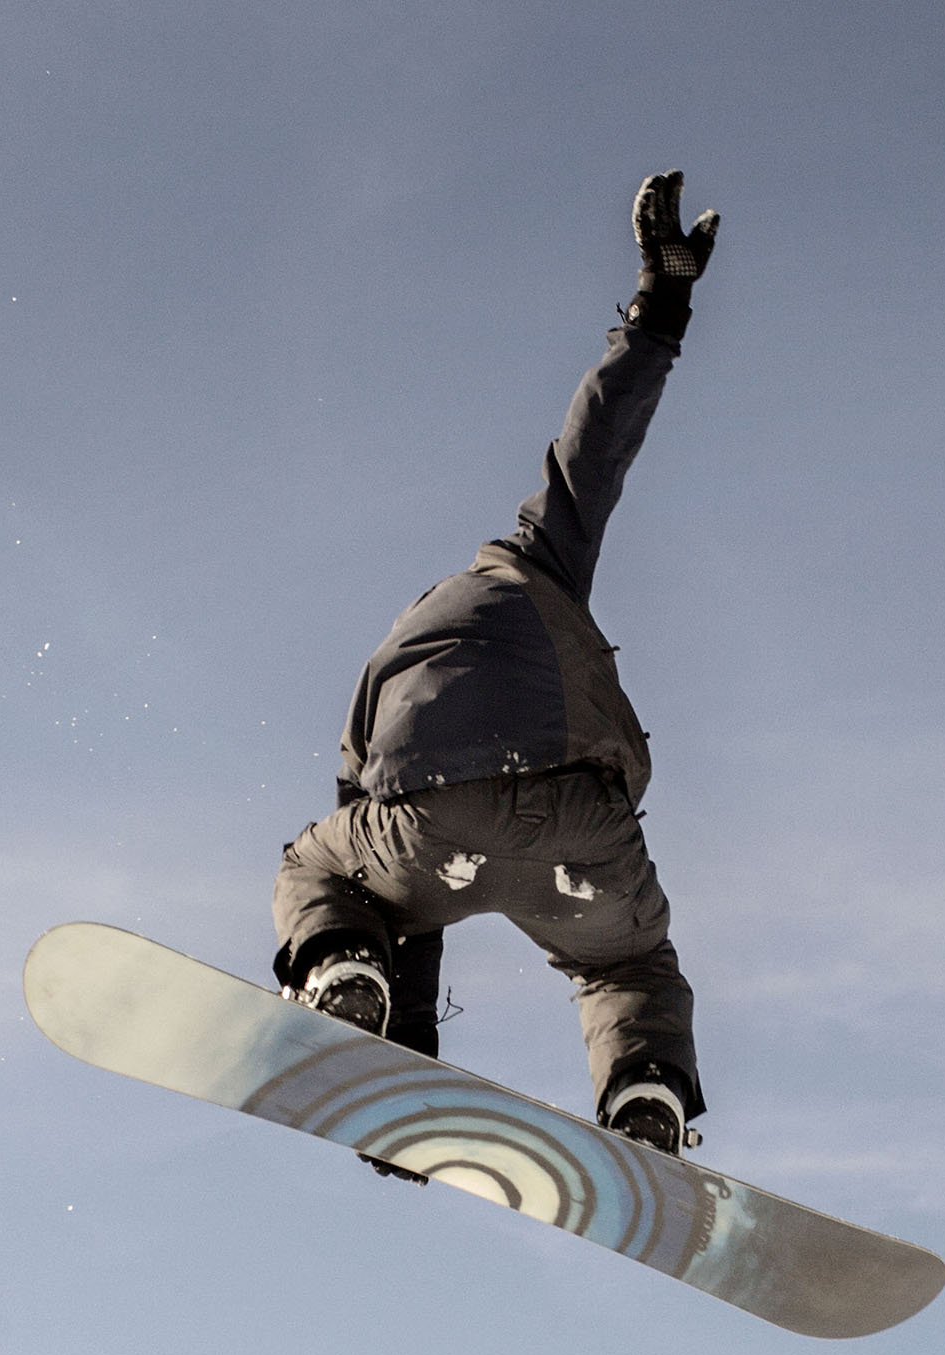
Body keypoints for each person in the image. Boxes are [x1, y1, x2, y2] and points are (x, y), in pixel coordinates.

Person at [273, 171, 721, 1161]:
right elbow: (594, 443)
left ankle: (340, 974)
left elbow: (395, 899)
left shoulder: (377, 684)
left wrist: (402, 1075)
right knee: (631, 967)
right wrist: (663, 298)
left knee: (319, 866)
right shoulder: (536, 562)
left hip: (432, 822)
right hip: (585, 828)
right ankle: (644, 1093)